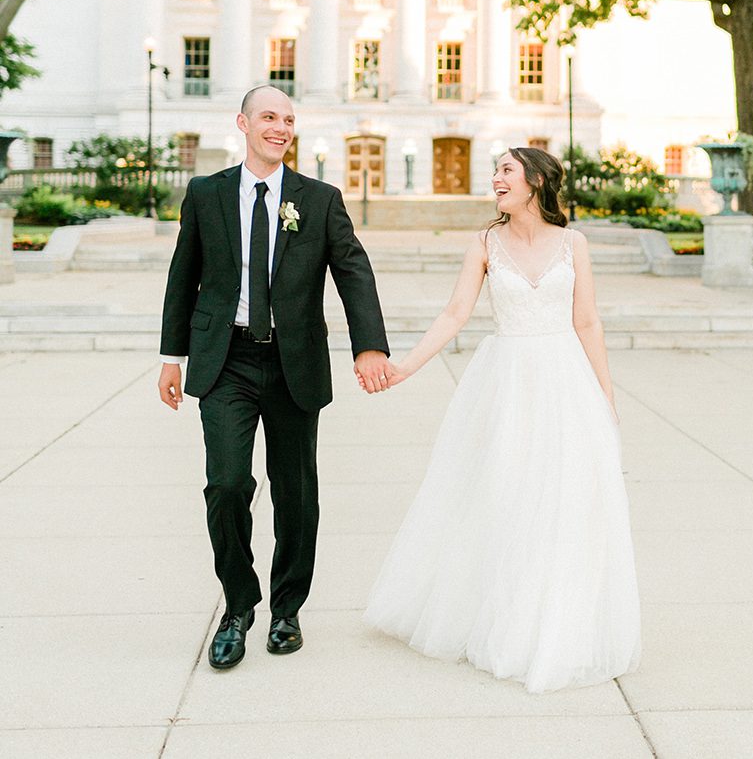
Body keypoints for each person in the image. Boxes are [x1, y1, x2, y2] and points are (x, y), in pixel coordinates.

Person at [363, 146, 640, 693]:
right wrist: (407, 366)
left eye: (506, 170)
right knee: (506, 496)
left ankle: (556, 626)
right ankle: (502, 619)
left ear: (536, 180)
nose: (496, 179)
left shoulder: (573, 244)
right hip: (507, 381)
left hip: (565, 383)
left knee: (563, 504)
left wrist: (605, 401)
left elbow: (587, 321)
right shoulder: (485, 243)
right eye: (496, 171)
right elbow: (455, 313)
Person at [158, 85, 391, 671]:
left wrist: (369, 346)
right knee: (228, 483)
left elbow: (353, 270)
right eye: (268, 116)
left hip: (294, 363)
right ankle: (238, 606)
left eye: (288, 119)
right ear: (243, 123)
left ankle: (287, 609)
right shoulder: (206, 193)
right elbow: (183, 273)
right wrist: (172, 356)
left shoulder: (319, 198)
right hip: (225, 360)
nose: (280, 127)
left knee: (296, 492)